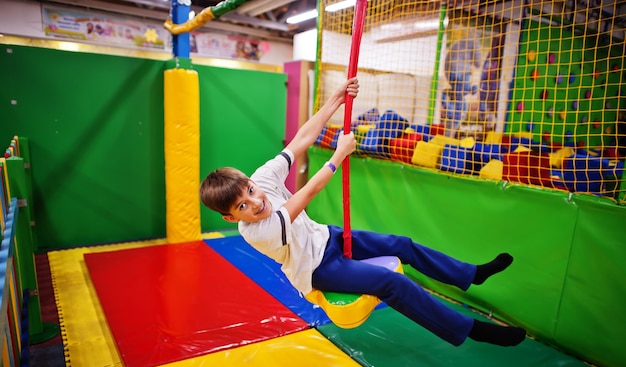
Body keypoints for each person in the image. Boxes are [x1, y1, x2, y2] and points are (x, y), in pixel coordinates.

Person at [200, 77, 526, 347]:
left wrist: (335, 100)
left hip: (327, 238)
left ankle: (469, 274)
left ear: (250, 182)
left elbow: (300, 139)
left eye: (251, 192)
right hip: (317, 268)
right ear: (232, 218)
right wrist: (338, 155)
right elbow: (307, 193)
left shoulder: (260, 178)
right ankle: (470, 329)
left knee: (402, 244)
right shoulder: (257, 231)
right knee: (391, 283)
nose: (255, 202)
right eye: (242, 206)